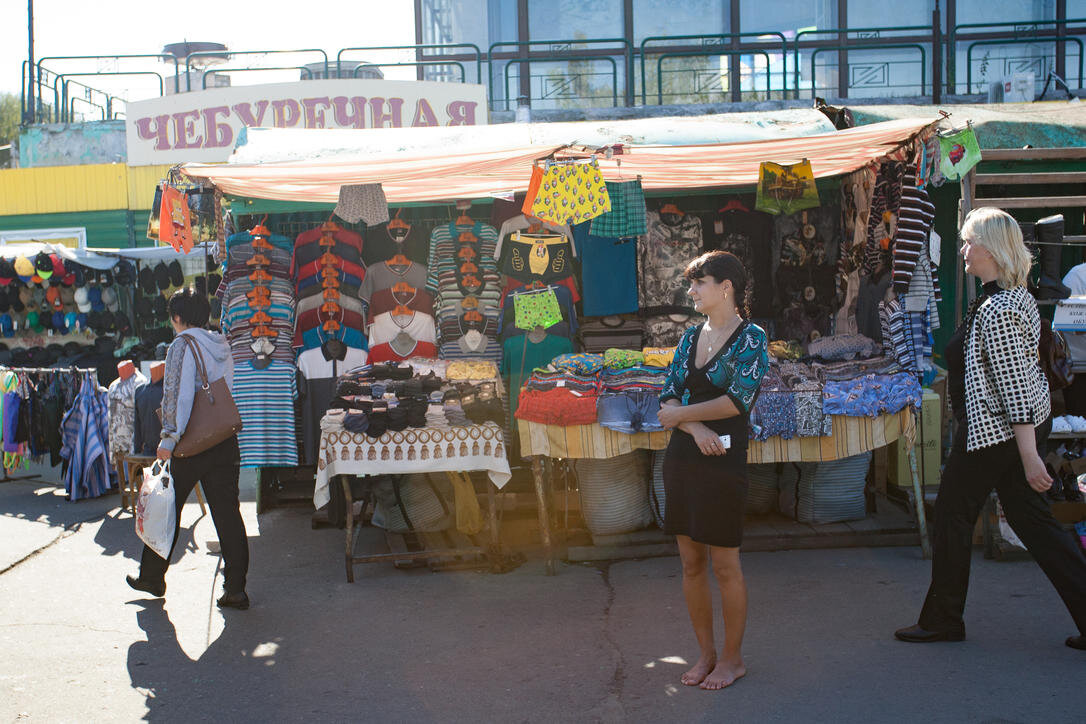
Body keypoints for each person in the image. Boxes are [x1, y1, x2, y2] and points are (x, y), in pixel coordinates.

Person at [894, 207, 1086, 650]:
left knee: (952, 514)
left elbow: (1014, 385)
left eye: (969, 242)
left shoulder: (998, 306)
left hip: (993, 433)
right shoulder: (1010, 295)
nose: (963, 250)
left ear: (992, 249)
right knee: (1033, 521)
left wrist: (1029, 454)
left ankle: (943, 619)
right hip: (1013, 430)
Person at [656, 251, 769, 689]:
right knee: (690, 563)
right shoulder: (688, 337)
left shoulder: (752, 338)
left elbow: (738, 400)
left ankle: (733, 659)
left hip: (723, 461)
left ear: (726, 287)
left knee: (725, 563)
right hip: (685, 457)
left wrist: (684, 415)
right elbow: (668, 396)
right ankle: (705, 655)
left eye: (698, 282)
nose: (691, 291)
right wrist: (696, 426)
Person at [126, 287, 250, 610]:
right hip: (223, 438)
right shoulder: (220, 342)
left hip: (190, 444)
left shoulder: (182, 345)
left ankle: (152, 576)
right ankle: (236, 587)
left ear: (178, 317)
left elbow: (177, 396)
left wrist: (168, 439)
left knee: (164, 509)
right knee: (228, 515)